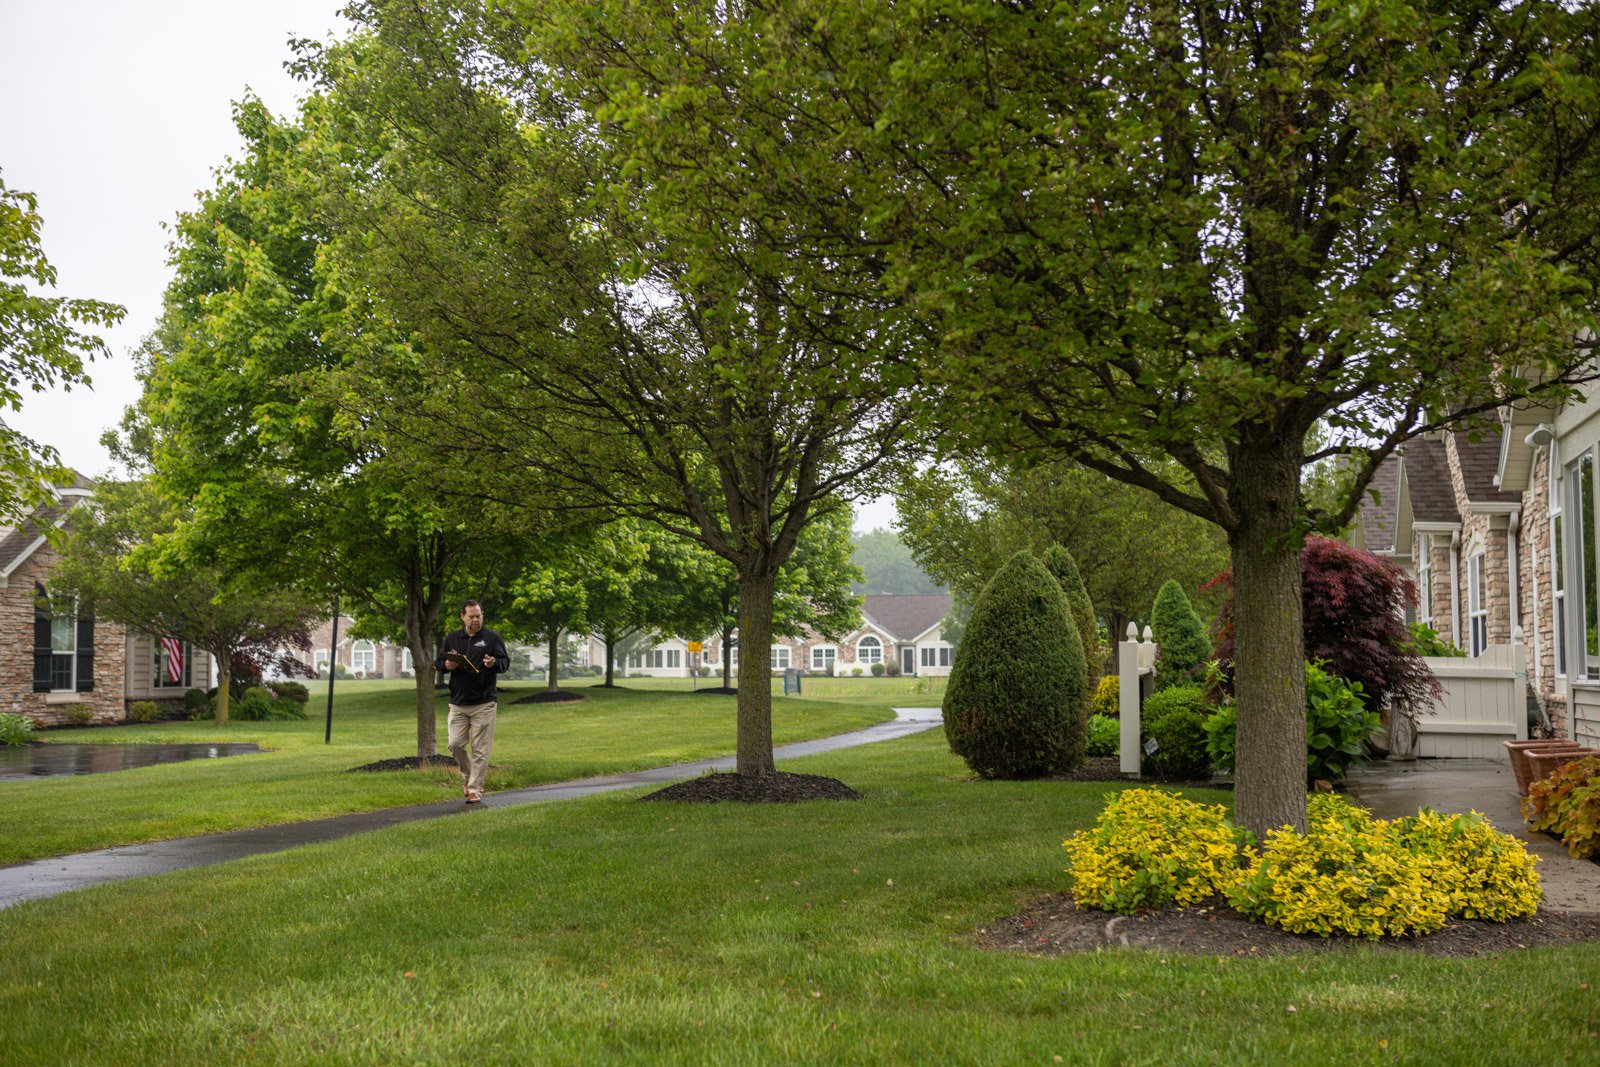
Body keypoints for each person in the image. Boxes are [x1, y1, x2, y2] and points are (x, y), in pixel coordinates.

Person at [436, 599, 511, 803]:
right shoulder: (453, 638)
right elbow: (439, 662)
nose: (476, 620)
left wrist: (493, 663)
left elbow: (505, 663)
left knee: (480, 749)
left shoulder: (492, 638)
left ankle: (475, 789)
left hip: (484, 702)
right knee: (455, 744)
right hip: (458, 703)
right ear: (463, 616)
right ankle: (468, 776)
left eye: (479, 616)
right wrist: (447, 665)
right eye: (472, 616)